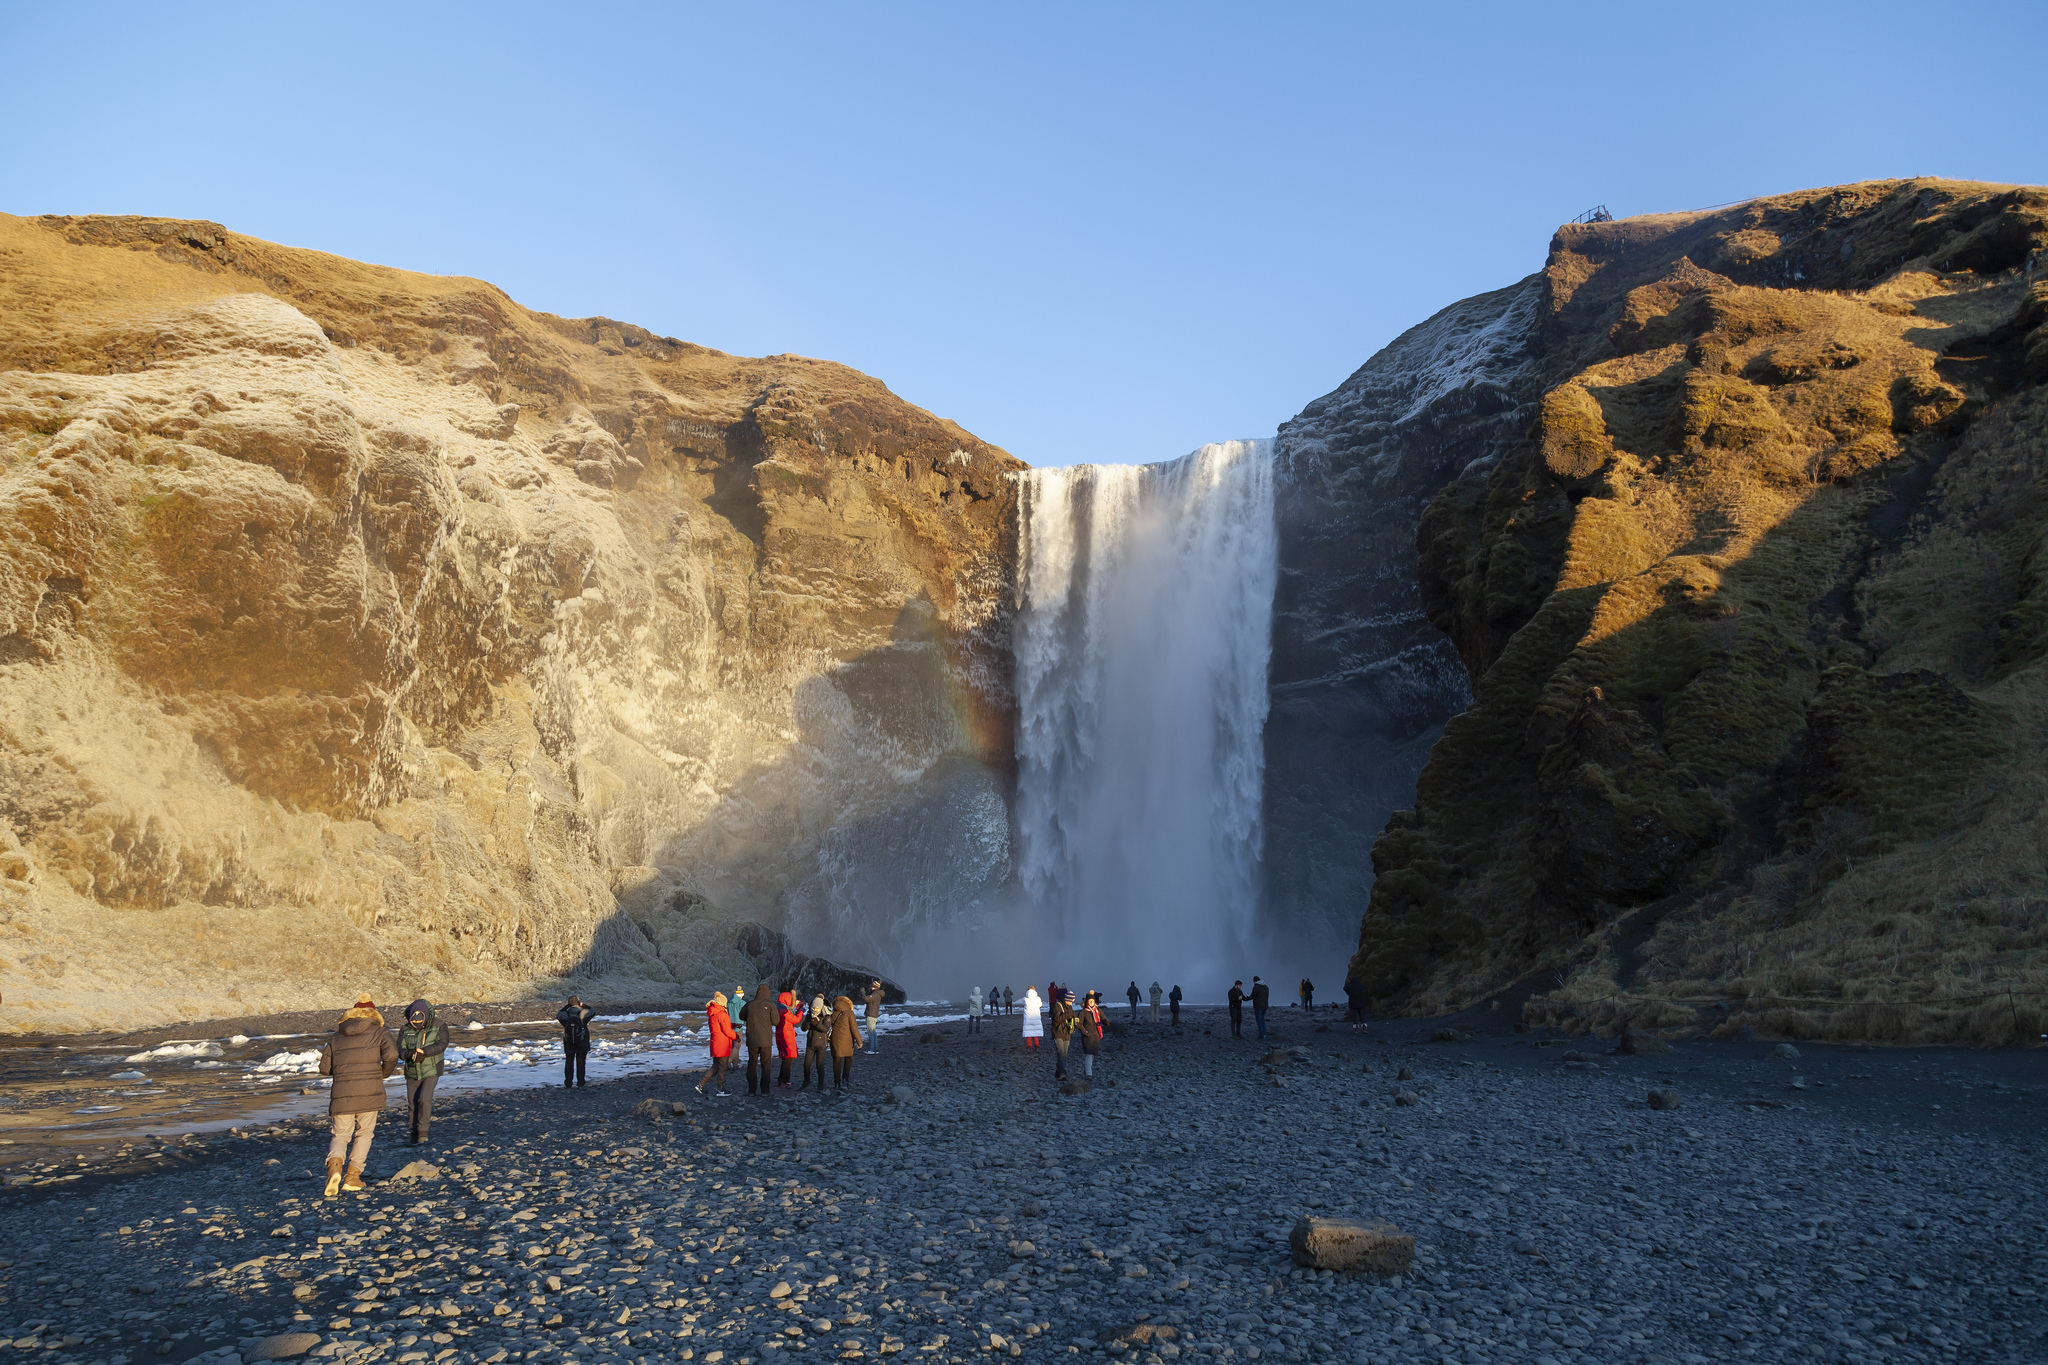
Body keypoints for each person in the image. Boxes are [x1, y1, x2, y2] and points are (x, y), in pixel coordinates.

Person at [317, 993, 399, 1196]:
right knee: (364, 1133)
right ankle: (352, 1177)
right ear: (374, 1015)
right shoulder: (380, 1032)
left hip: (342, 1093)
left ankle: (335, 1167)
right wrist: (382, 1074)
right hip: (369, 1092)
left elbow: (324, 1068)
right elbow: (392, 1055)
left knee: (340, 1134)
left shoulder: (336, 1037)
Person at [397, 998, 447, 1146]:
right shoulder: (405, 1029)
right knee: (412, 1102)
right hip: (412, 1069)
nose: (417, 1024)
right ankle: (414, 1132)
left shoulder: (439, 1026)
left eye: (419, 1021)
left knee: (424, 1099)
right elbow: (399, 1048)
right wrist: (409, 1054)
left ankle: (423, 1133)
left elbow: (442, 1044)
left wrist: (425, 1052)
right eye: (414, 1022)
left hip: (432, 1068)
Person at [696, 991, 736, 1098]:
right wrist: (736, 1036)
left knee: (715, 1067)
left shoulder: (712, 1013)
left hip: (715, 1043)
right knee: (723, 1067)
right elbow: (727, 1030)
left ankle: (701, 1085)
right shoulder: (722, 1014)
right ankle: (720, 1089)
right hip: (722, 1045)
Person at [743, 980, 777, 1097]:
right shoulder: (771, 1005)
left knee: (752, 1063)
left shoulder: (749, 1004)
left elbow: (741, 1016)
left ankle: (752, 1090)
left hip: (752, 1038)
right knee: (766, 1064)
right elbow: (776, 1021)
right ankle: (765, 1090)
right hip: (766, 1040)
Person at [556, 996, 593, 1087]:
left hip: (569, 1041)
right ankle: (580, 1082)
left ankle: (568, 1083)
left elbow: (558, 1014)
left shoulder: (565, 1015)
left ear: (569, 1003)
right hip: (582, 1041)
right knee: (581, 1061)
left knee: (569, 1061)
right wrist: (583, 1005)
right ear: (578, 1002)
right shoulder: (583, 1014)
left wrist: (567, 1006)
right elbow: (592, 1010)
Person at [829, 994, 863, 1091]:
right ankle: (845, 1078)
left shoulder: (833, 1013)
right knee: (848, 1059)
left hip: (835, 1040)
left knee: (836, 1061)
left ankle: (837, 1081)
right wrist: (859, 1041)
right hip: (847, 1041)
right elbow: (854, 1028)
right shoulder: (849, 1013)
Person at [801, 993, 832, 1091]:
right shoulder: (810, 1014)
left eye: (816, 1009)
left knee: (819, 1065)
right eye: (813, 1008)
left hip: (821, 1044)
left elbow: (825, 1029)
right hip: (810, 1042)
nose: (814, 1011)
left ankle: (820, 1084)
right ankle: (806, 1081)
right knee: (806, 1064)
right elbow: (803, 1027)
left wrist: (817, 1023)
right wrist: (806, 1026)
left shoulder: (827, 1014)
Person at [776, 989, 803, 1087]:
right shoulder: (785, 1011)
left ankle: (781, 1080)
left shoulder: (779, 1009)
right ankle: (784, 1080)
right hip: (787, 1037)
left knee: (785, 1059)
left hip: (781, 1036)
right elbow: (795, 1020)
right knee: (788, 1058)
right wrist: (800, 1012)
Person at [1077, 990, 1105, 1077]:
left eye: (1093, 1001)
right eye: (1090, 1001)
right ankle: (1089, 1072)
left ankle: (1087, 1069)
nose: (1092, 1002)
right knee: (1089, 1054)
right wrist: (1085, 1032)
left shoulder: (1097, 1010)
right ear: (1087, 1002)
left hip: (1096, 1036)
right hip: (1087, 1037)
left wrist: (1107, 1023)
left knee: (1092, 1054)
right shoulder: (1083, 1012)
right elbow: (1078, 1023)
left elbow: (1103, 1018)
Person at [1050, 986, 1074, 1078]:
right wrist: (1067, 1015)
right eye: (1070, 1000)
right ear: (1066, 999)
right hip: (1058, 1033)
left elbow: (1073, 1017)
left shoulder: (1070, 1007)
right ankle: (1062, 1073)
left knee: (1064, 1054)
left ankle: (1058, 1071)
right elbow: (1056, 1019)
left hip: (1067, 1033)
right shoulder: (1057, 1006)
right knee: (1061, 1053)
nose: (1071, 1002)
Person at [863, 980, 886, 1053]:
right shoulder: (878, 994)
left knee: (870, 1032)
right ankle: (875, 1049)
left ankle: (871, 1049)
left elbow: (866, 999)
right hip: (874, 1015)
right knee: (873, 1032)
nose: (871, 987)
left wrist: (863, 993)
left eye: (872, 986)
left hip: (871, 1014)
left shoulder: (875, 994)